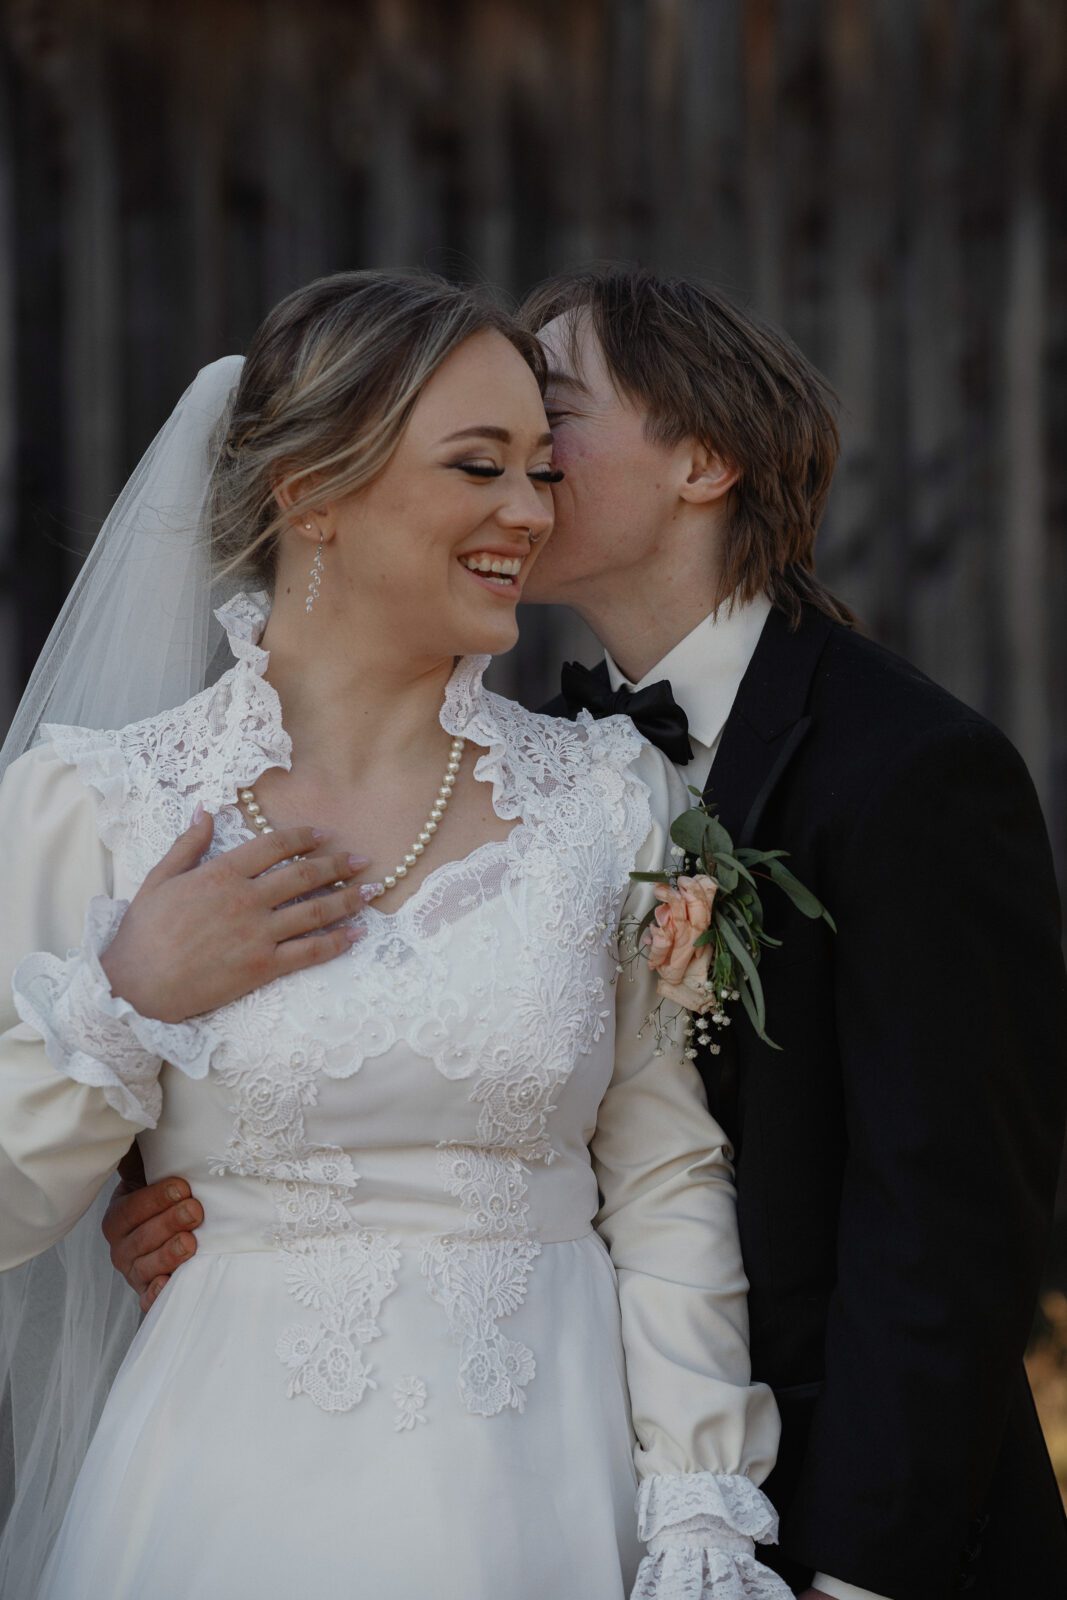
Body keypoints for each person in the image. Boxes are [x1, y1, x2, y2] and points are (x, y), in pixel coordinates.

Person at [105, 264, 1067, 1599]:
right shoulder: (559, 769)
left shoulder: (912, 772)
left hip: (851, 1518)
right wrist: (152, 1179)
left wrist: (850, 1572)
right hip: (554, 1478)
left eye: (552, 419)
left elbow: (953, 1231)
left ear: (705, 461)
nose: (525, 468)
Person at [0, 270, 791, 1600]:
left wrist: (701, 1510)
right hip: (225, 1496)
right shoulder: (98, 806)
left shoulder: (605, 799)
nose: (530, 514)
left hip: (551, 1485)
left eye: (543, 468)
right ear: (308, 492)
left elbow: (666, 1182)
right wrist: (131, 995)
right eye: (481, 465)